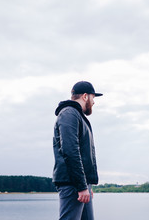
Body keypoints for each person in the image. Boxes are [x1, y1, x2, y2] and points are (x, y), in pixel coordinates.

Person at [52, 81, 103, 220]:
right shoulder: (69, 113)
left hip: (80, 183)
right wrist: (81, 186)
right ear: (85, 96)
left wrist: (87, 184)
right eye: (93, 98)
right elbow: (70, 150)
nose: (94, 102)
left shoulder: (77, 116)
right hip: (72, 184)